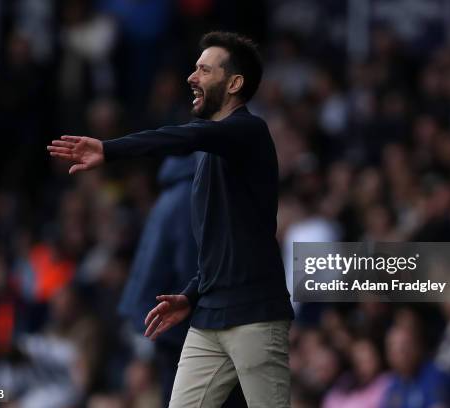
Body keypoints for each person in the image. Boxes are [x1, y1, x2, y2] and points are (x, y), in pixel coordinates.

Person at [48, 31, 294, 407]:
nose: (191, 77)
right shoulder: (207, 157)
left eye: (204, 70)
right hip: (208, 316)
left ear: (234, 83)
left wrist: (110, 149)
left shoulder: (250, 131)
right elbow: (224, 246)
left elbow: (181, 137)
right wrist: (191, 295)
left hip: (255, 317)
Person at [118, 154, 246, 407]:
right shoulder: (193, 196)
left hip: (168, 326)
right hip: (181, 328)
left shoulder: (175, 194)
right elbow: (196, 272)